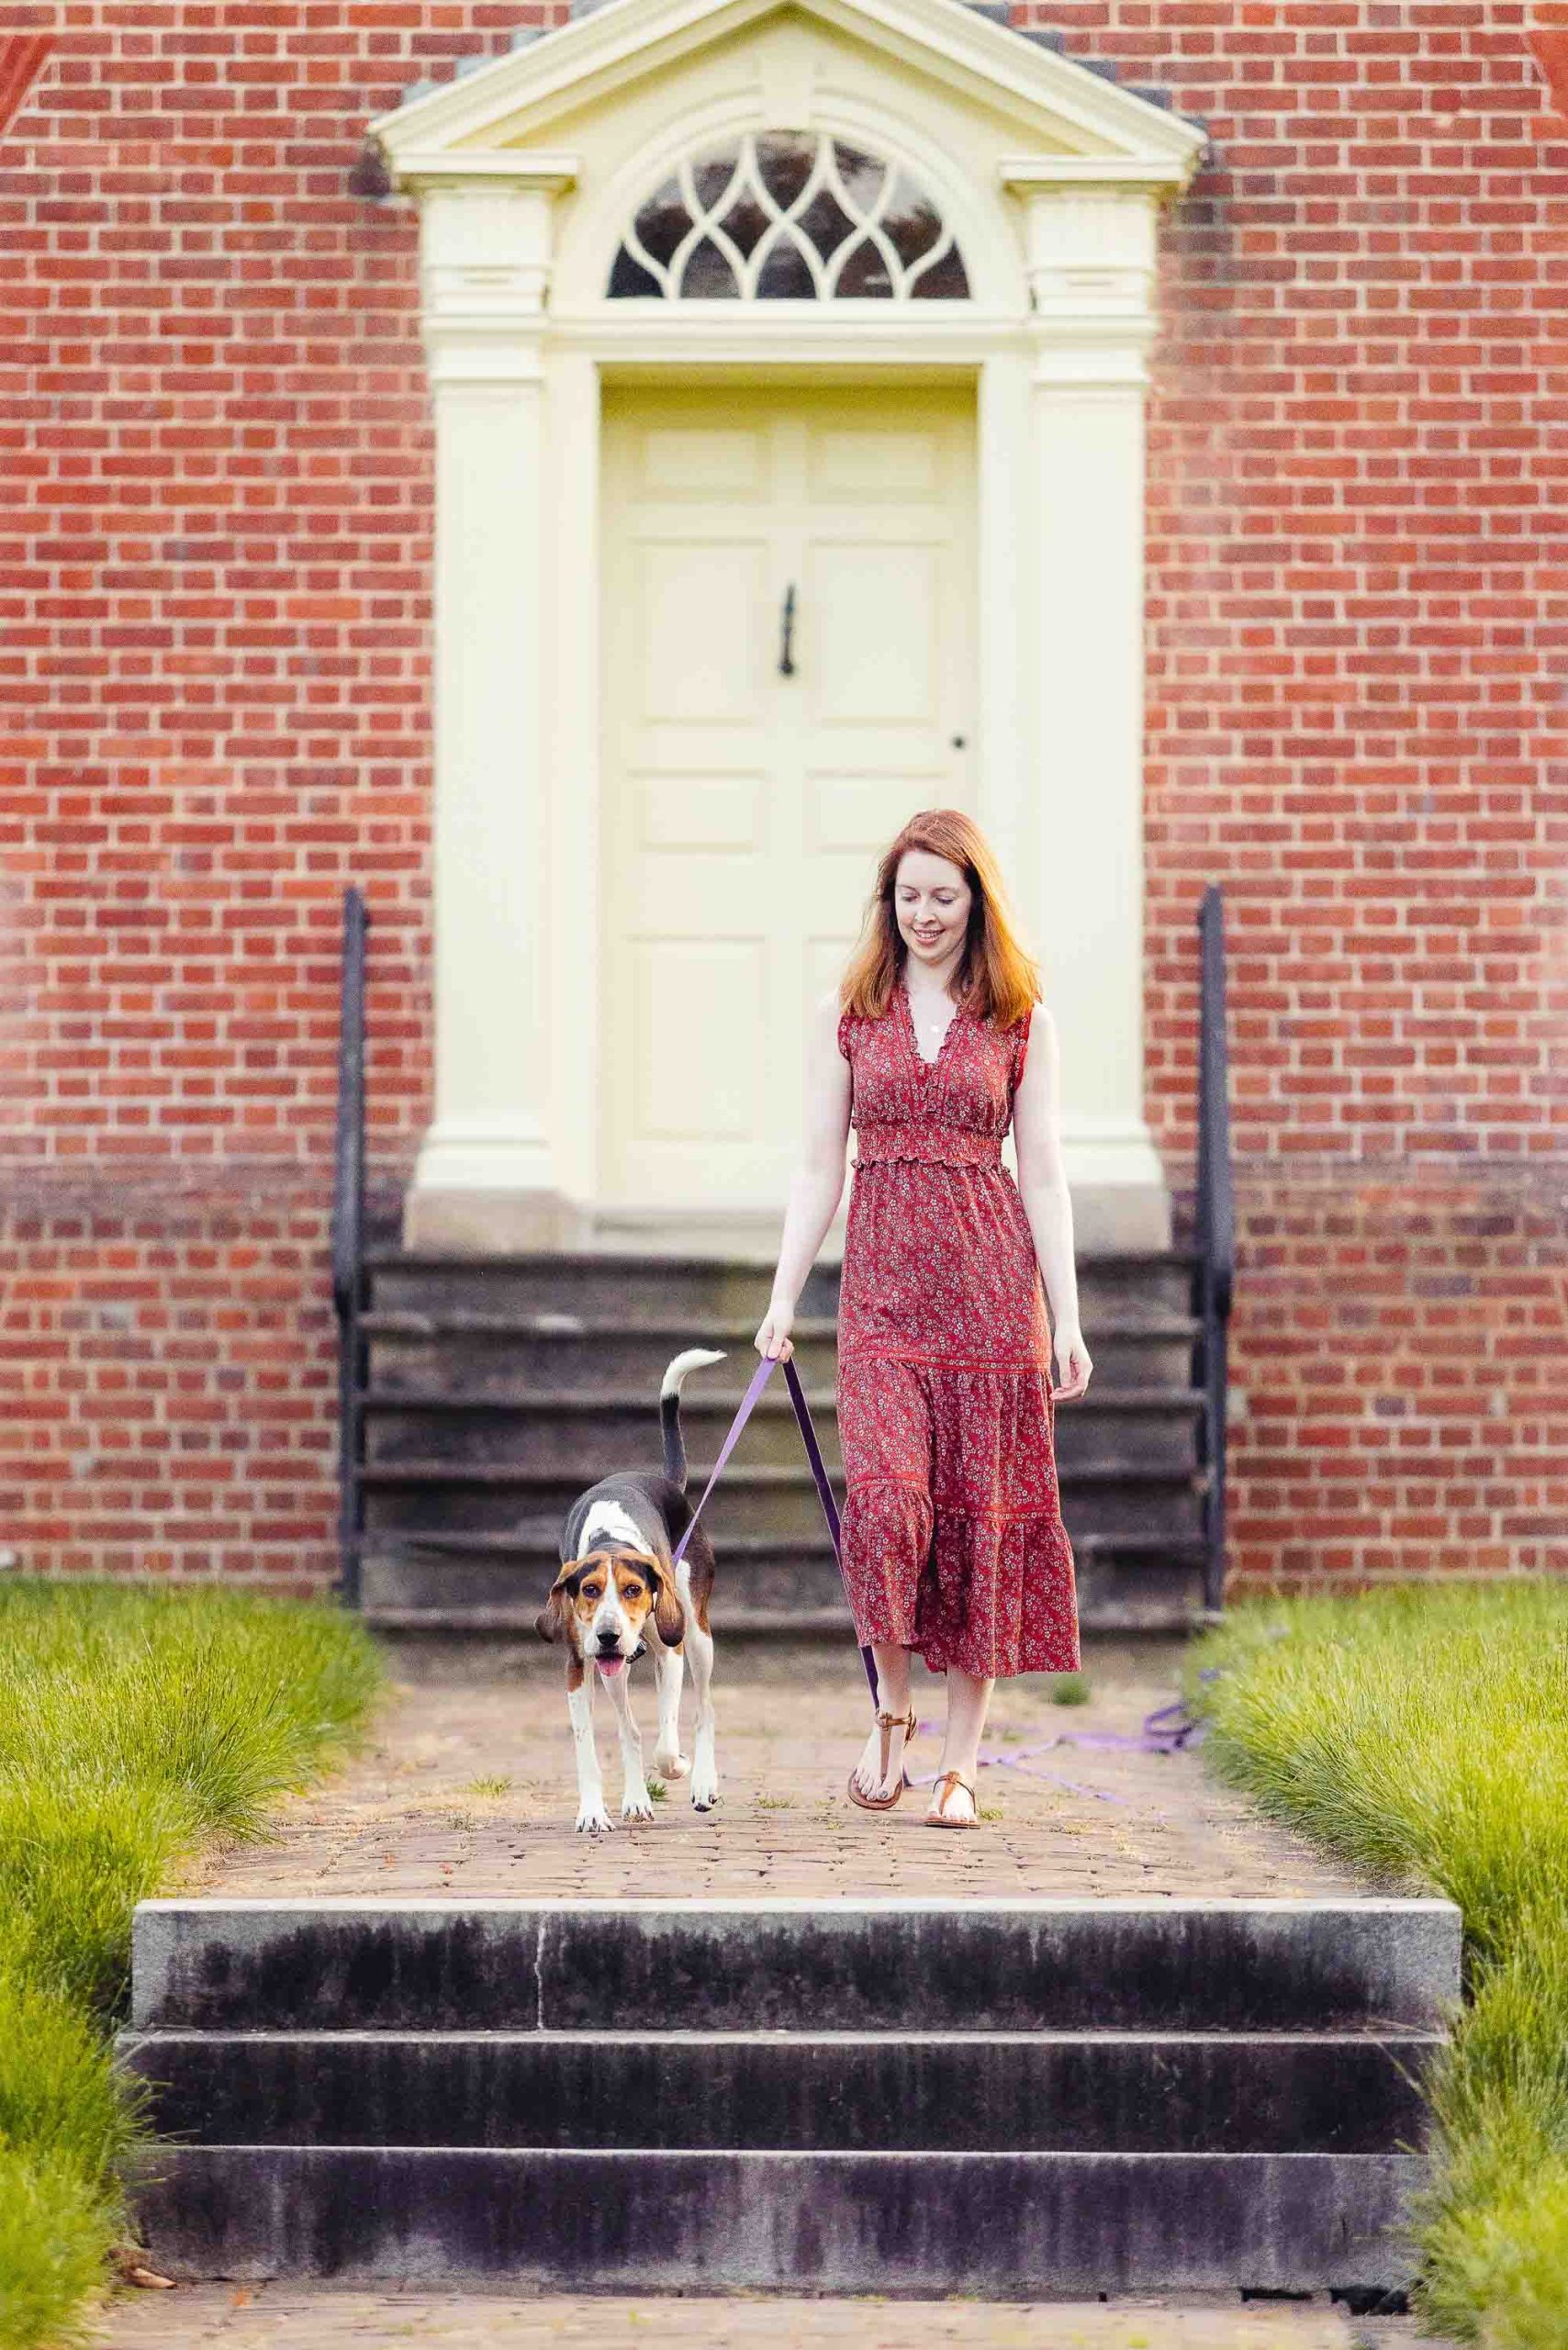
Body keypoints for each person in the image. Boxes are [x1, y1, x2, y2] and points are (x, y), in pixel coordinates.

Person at [754, 810, 1091, 1830]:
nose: (925, 914)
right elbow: (820, 1166)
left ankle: (961, 1767)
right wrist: (780, 1297)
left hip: (993, 1302)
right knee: (890, 1508)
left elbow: (1045, 1173)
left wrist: (1065, 1318)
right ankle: (892, 1712)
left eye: (944, 895)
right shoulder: (849, 1012)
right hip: (883, 1305)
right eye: (909, 895)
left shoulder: (1020, 1015)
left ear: (975, 901)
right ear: (887, 903)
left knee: (978, 1528)